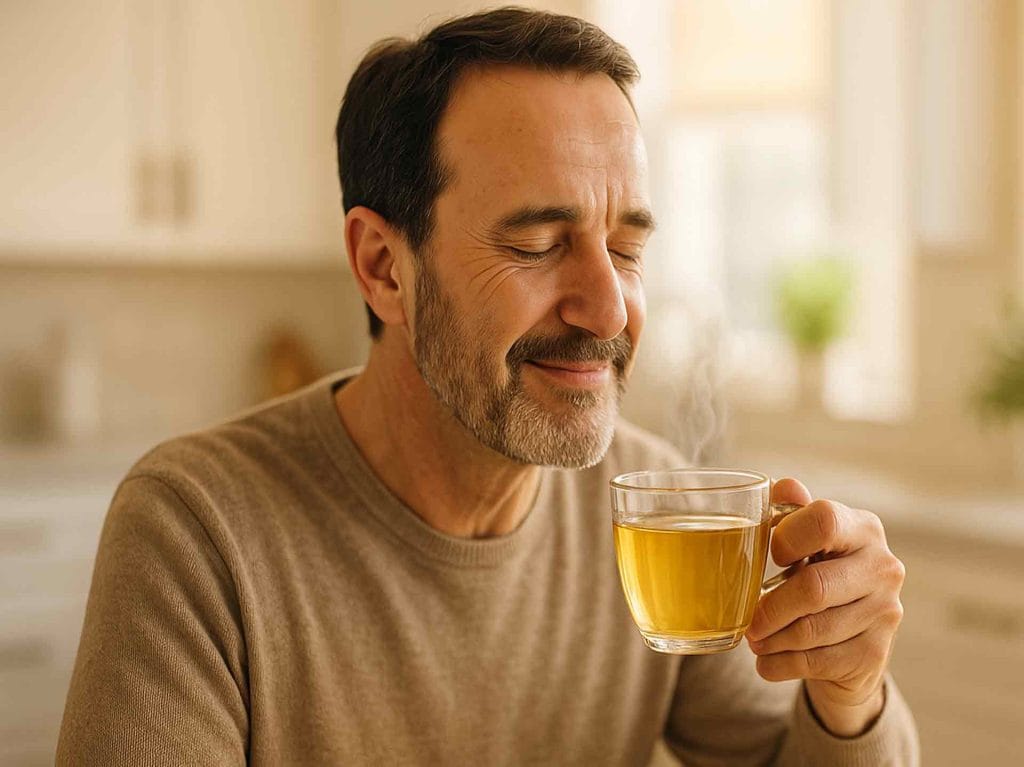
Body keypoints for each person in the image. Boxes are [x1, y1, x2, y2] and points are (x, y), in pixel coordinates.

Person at [58, 7, 919, 765]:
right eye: (539, 244)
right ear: (383, 266)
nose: (610, 309)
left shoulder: (651, 517)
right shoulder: (196, 533)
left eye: (627, 248)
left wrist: (851, 694)